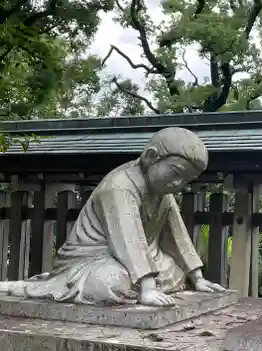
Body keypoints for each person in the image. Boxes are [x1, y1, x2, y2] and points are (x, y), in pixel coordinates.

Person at [0, 127, 224, 306]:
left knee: (174, 272)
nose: (178, 184)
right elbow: (128, 240)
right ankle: (132, 283)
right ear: (151, 157)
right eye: (175, 173)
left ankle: (144, 281)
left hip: (141, 262)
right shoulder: (118, 187)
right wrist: (147, 288)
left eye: (186, 180)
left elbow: (177, 235)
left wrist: (197, 277)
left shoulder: (163, 193)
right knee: (112, 283)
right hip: (93, 261)